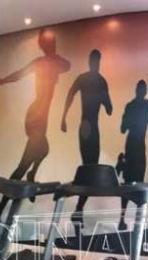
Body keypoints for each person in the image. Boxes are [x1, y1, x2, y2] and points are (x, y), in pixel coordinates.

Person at [0, 30, 71, 219]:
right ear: (44, 46)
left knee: (43, 150)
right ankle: (0, 207)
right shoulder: (41, 63)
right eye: (48, 43)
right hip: (35, 116)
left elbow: (67, 65)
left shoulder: (53, 62)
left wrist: (53, 58)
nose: (52, 46)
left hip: (40, 116)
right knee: (23, 165)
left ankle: (31, 176)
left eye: (53, 42)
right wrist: (3, 81)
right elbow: (19, 74)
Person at [60, 49, 112, 224]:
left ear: (97, 62)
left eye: (96, 61)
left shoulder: (100, 81)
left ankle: (78, 209)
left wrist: (104, 98)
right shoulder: (90, 79)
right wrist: (63, 118)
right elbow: (70, 94)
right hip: (87, 127)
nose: (95, 64)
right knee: (89, 170)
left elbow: (109, 109)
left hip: (90, 127)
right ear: (91, 62)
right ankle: (78, 209)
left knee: (90, 170)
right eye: (93, 61)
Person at [117, 80, 148, 231]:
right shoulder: (143, 106)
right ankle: (127, 220)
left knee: (132, 183)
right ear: (143, 91)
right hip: (136, 147)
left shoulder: (133, 106)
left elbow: (123, 128)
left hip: (134, 146)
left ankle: (125, 220)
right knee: (134, 184)